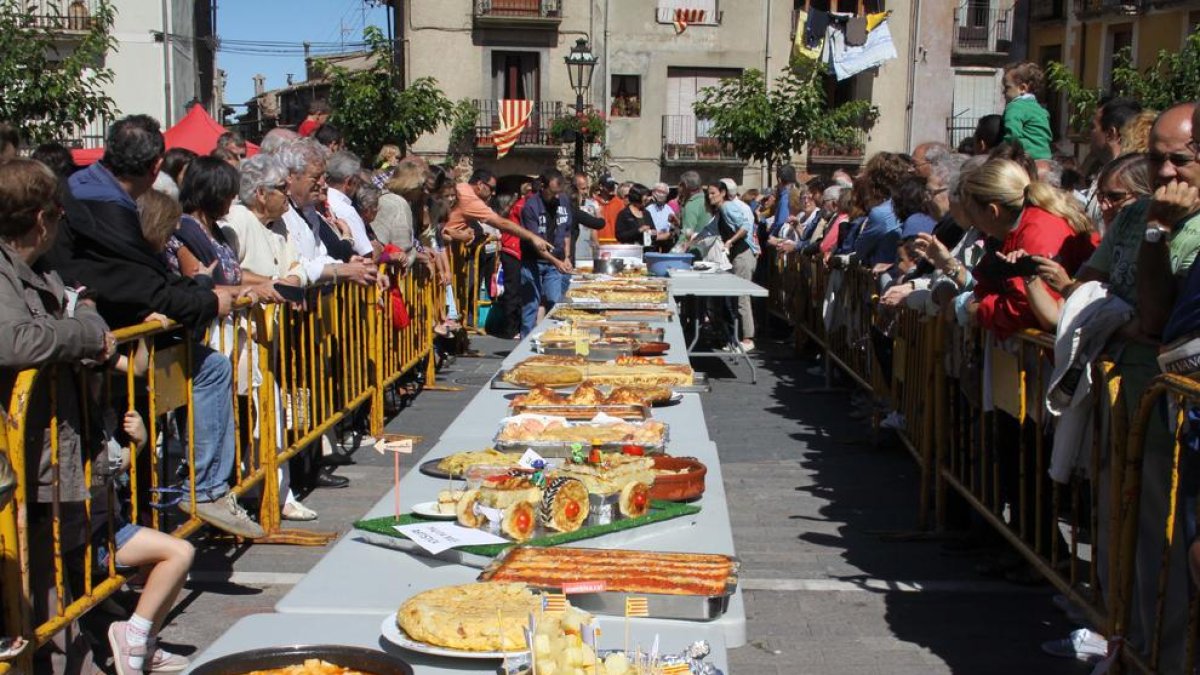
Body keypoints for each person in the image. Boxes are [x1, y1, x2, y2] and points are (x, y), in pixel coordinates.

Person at [47, 115, 263, 538]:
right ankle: (195, 493)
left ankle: (203, 491)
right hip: (97, 352)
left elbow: (149, 278)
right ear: (154, 168)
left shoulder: (92, 196)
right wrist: (206, 298)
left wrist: (201, 292)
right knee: (110, 466)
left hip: (121, 342)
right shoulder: (99, 208)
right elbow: (143, 282)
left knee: (209, 369)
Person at [0, 158, 114, 674]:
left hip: (50, 447)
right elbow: (17, 340)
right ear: (43, 218)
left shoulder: (40, 269)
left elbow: (79, 306)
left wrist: (85, 324)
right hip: (22, 453)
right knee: (35, 579)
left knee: (51, 576)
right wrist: (85, 335)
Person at [519, 169, 574, 335]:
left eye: (559, 193)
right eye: (553, 193)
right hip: (533, 260)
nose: (557, 197)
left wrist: (566, 257)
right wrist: (558, 262)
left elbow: (566, 231)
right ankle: (524, 346)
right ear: (542, 187)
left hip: (554, 261)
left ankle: (553, 340)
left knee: (555, 302)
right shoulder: (530, 207)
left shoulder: (562, 200)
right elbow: (538, 244)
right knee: (531, 306)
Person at [705, 180, 757, 350]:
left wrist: (729, 242)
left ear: (722, 193)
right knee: (735, 298)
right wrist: (692, 240)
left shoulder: (727, 207)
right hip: (735, 256)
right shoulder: (720, 211)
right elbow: (709, 229)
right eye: (709, 193)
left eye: (713, 193)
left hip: (743, 254)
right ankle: (737, 338)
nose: (710, 196)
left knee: (742, 297)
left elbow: (745, 227)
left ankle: (748, 339)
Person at [325, 150, 375, 257]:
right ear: (349, 182)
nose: (358, 187)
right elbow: (366, 253)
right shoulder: (346, 210)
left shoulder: (323, 200)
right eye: (358, 182)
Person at [1001, 61, 1054, 161]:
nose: (1003, 92)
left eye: (1007, 87)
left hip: (1026, 160)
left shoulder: (1015, 107)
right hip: (1046, 159)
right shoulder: (1040, 110)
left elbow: (1012, 135)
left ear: (1022, 88)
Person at [595, 176, 625, 244]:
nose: (612, 188)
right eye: (609, 186)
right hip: (597, 243)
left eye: (613, 186)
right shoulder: (593, 202)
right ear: (601, 187)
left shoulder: (620, 203)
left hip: (615, 244)